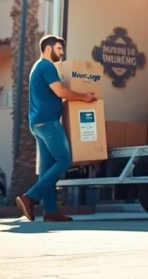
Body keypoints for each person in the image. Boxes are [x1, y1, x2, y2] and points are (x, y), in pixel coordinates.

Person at [15, 35, 95, 222]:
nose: (62, 53)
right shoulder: (46, 66)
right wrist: (83, 96)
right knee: (64, 160)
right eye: (59, 49)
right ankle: (30, 197)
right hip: (48, 122)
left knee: (47, 168)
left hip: (37, 123)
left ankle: (50, 211)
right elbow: (60, 91)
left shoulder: (37, 67)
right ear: (48, 48)